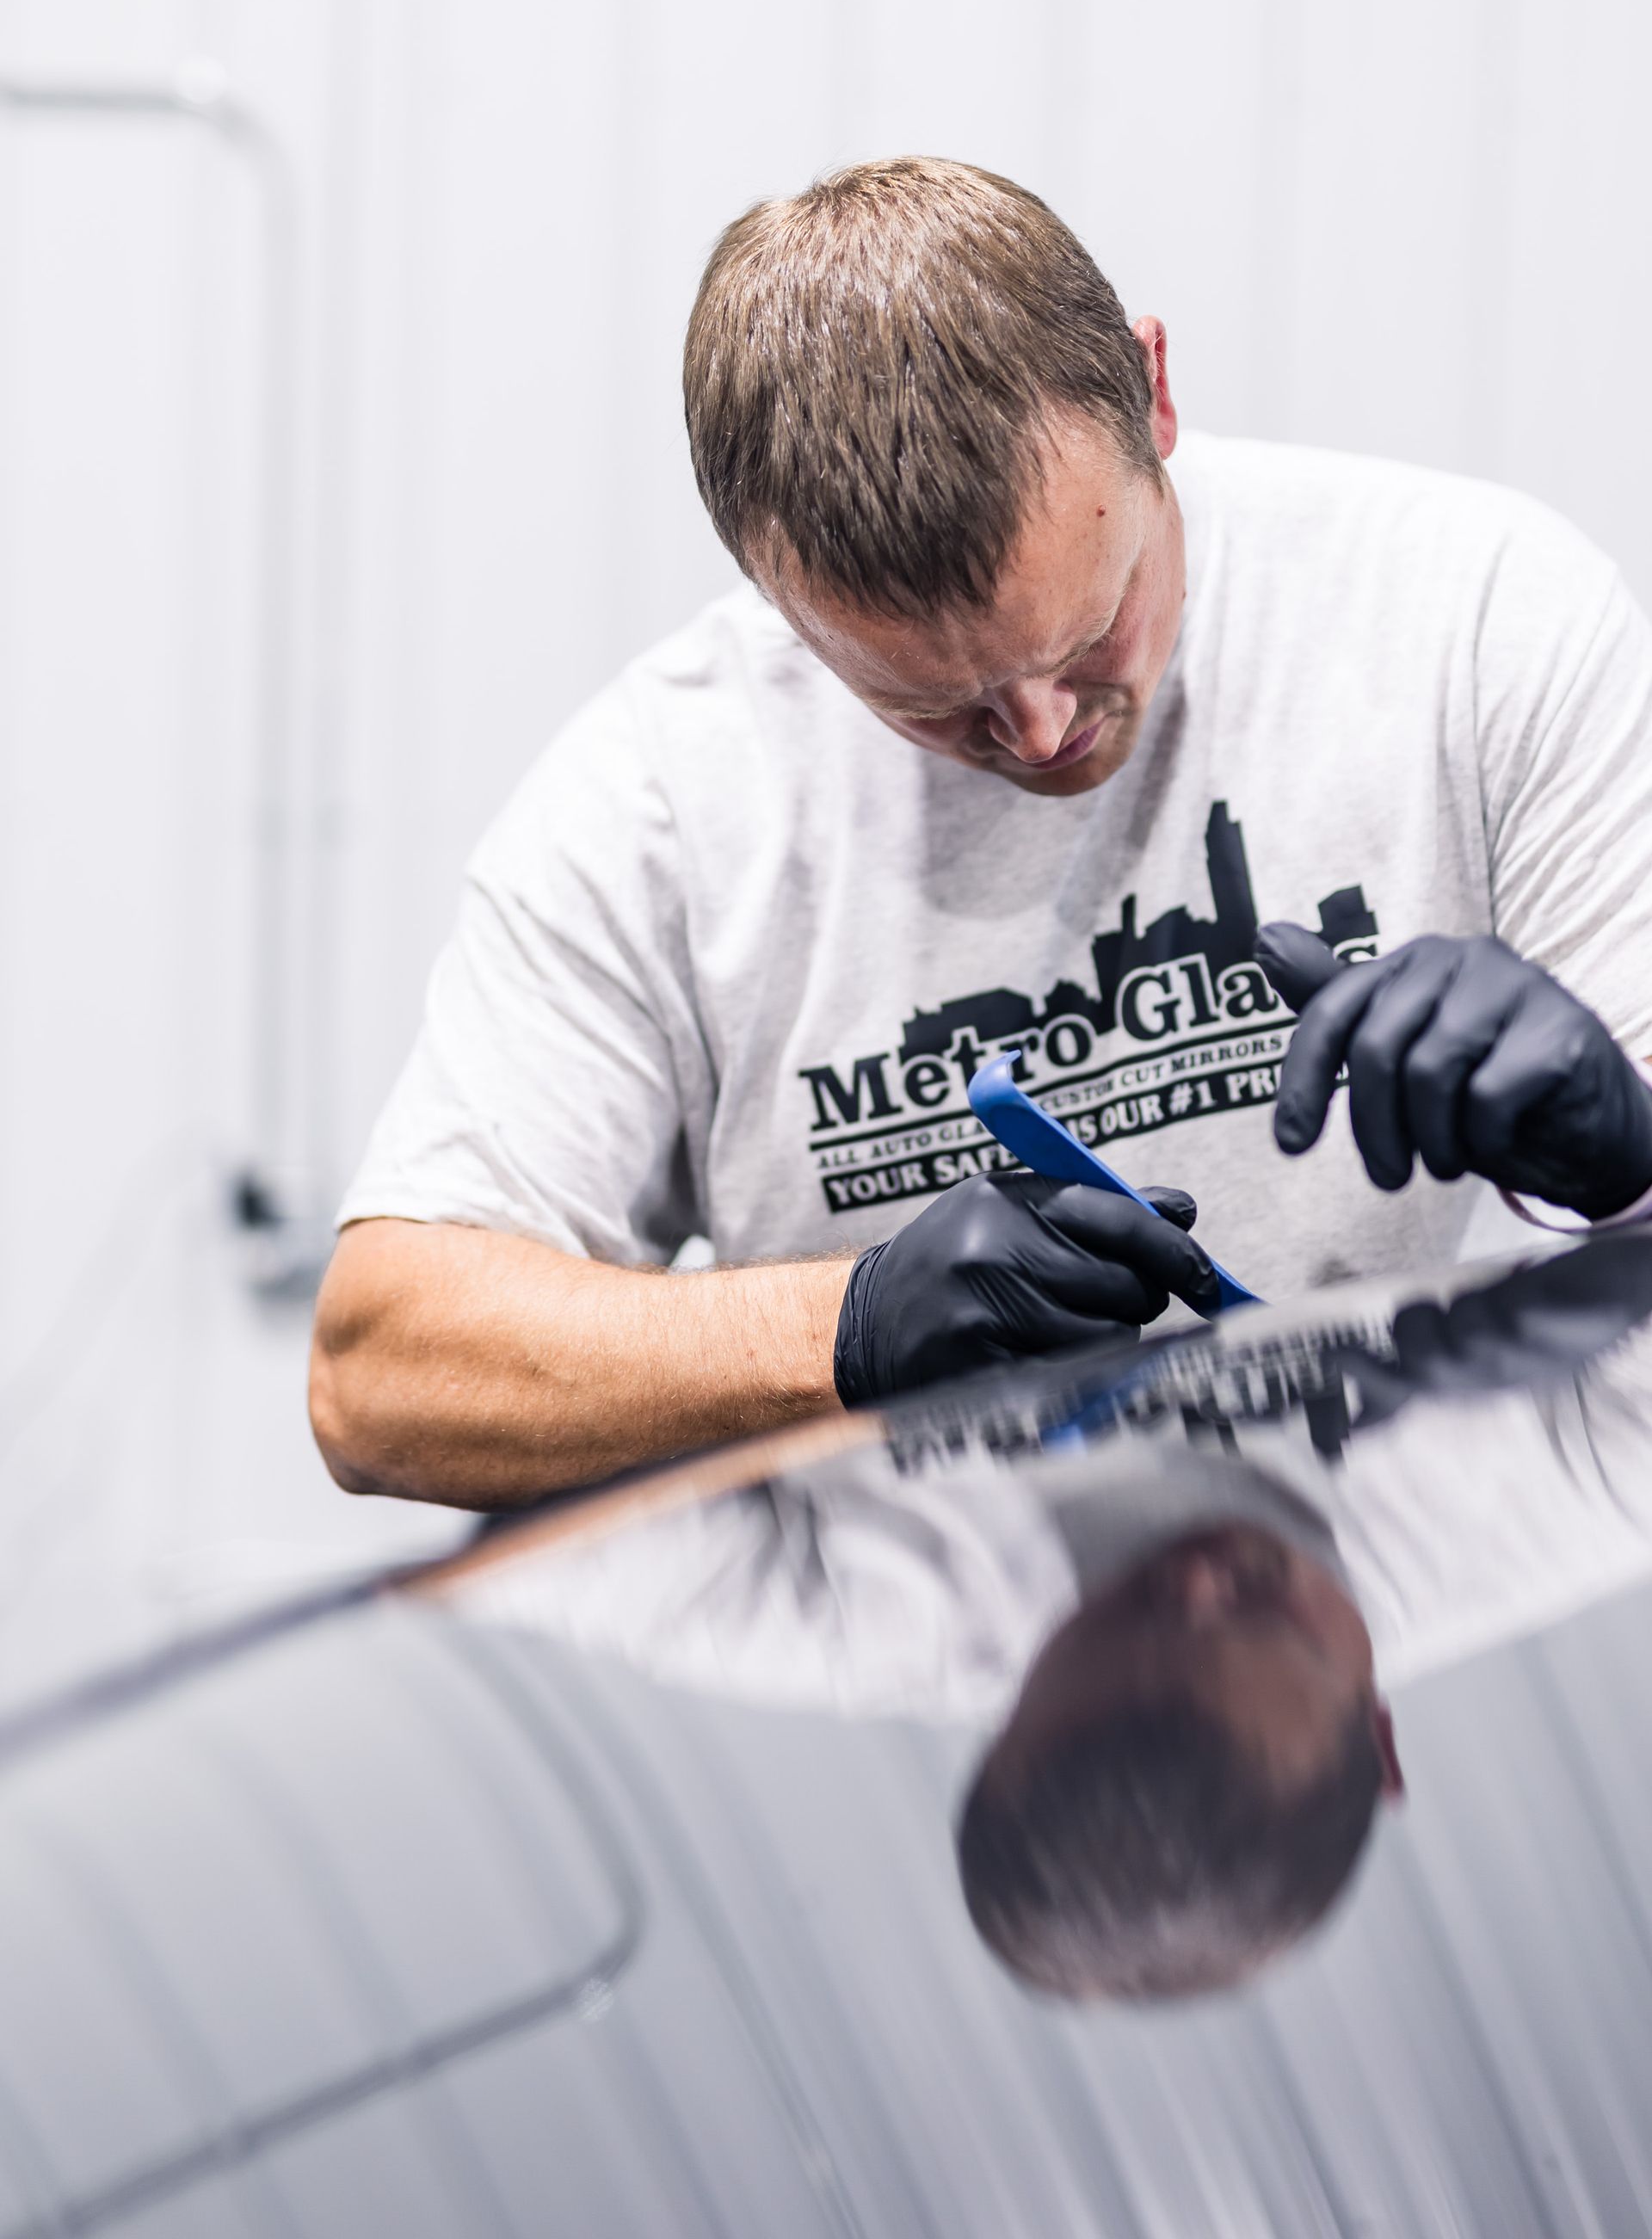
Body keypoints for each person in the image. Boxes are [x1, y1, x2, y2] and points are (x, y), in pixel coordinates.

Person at [311, 157, 1652, 1508]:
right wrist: (843, 1335)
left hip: (1389, 1615)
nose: (1042, 730)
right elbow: (378, 1379)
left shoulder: (1472, 624)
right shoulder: (667, 796)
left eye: (1093, 630)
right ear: (776, 596)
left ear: (1155, 391)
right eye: (932, 702)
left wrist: (1627, 1146)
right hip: (902, 1680)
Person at [437, 1241, 1652, 2002]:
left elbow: (482, 1479)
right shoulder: (1533, 1507)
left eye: (1117, 1618)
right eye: (1264, 1614)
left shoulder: (882, 1619)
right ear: (1382, 1741)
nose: (1193, 1580)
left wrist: (827, 1327)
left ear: (1010, 1709)